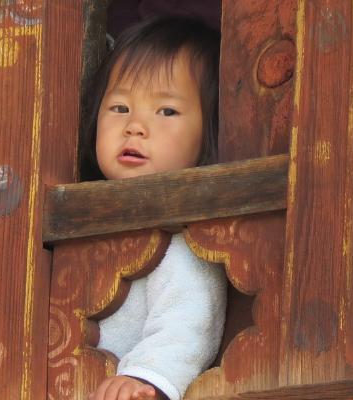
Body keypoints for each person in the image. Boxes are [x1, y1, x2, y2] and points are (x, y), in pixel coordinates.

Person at [82, 17, 227, 400]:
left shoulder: (181, 241)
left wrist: (146, 379)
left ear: (211, 131)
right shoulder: (78, 224)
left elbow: (189, 319)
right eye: (119, 107)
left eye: (166, 111)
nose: (135, 126)